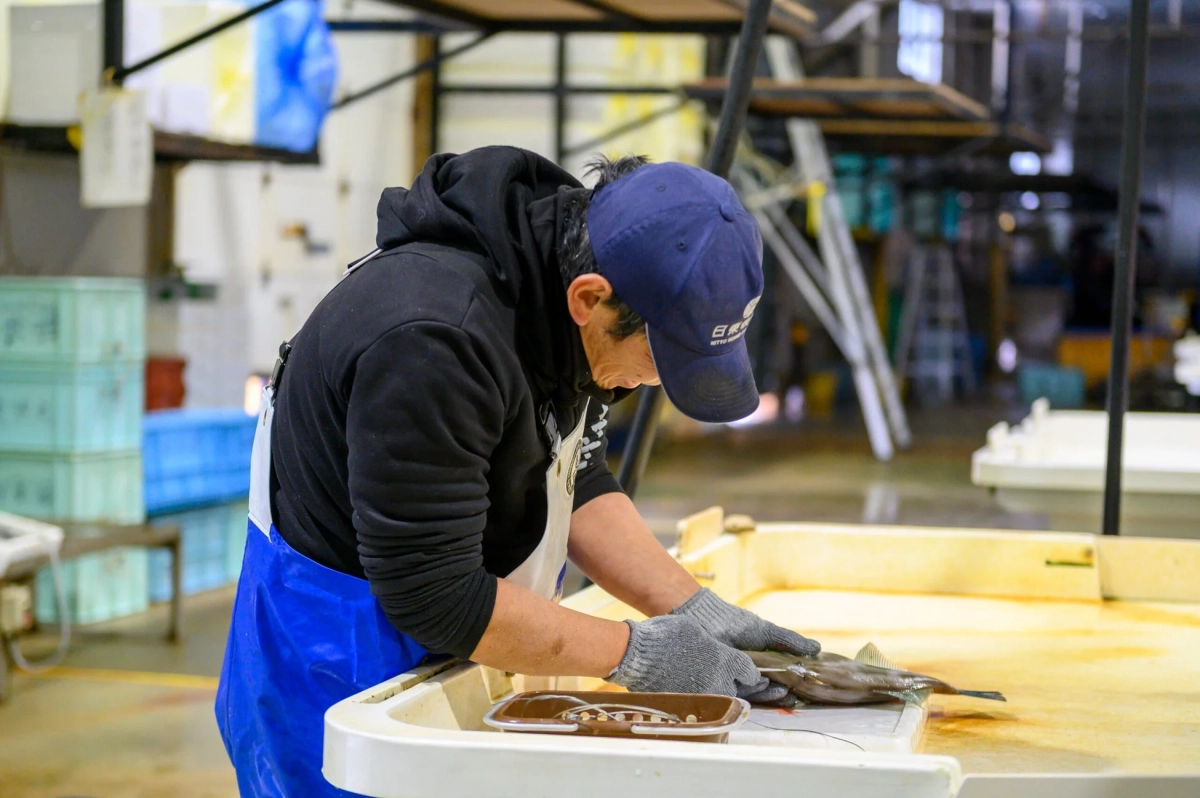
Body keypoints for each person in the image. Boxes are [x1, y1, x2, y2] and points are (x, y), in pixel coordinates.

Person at [216, 146, 821, 797]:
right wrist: (636, 652)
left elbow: (573, 479)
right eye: (659, 362)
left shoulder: (570, 277)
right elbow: (436, 596)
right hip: (337, 668)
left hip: (451, 637)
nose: (649, 386)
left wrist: (692, 608)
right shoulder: (432, 342)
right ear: (590, 299)